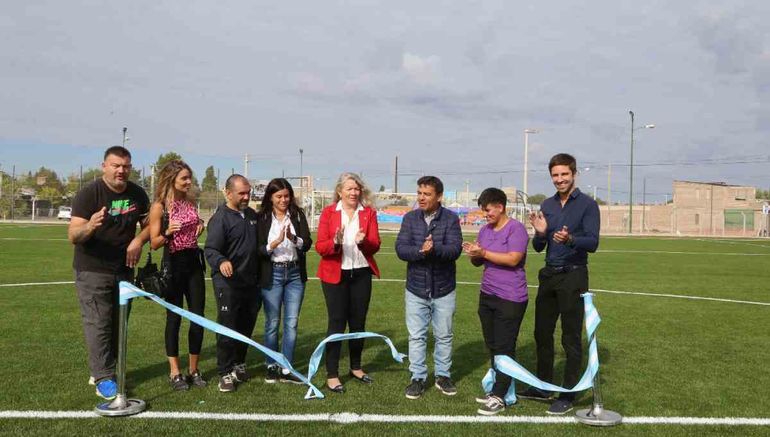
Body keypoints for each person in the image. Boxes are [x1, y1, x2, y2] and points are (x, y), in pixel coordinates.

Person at [519, 153, 600, 415]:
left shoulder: (588, 205)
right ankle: (543, 386)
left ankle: (569, 392)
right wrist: (540, 232)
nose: (559, 179)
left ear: (574, 174)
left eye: (564, 174)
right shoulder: (548, 205)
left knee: (570, 337)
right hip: (549, 275)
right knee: (542, 333)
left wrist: (570, 239)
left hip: (574, 275)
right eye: (555, 175)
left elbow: (593, 243)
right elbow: (539, 246)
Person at [68, 146, 150, 400]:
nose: (121, 171)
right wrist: (91, 225)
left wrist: (138, 241)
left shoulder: (137, 194)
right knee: (99, 323)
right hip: (92, 269)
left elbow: (150, 227)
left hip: (123, 270)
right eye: (116, 165)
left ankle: (105, 369)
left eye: (125, 166)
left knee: (118, 325)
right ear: (104, 166)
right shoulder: (89, 194)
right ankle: (103, 376)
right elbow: (74, 235)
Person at [462, 188, 529, 415]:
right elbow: (478, 262)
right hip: (487, 295)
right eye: (483, 211)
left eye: (488, 210)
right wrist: (474, 255)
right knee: (492, 345)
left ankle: (500, 396)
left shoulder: (516, 229)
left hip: (511, 297)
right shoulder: (485, 231)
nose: (485, 215)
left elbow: (513, 259)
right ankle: (500, 390)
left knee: (504, 346)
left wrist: (484, 253)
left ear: (500, 207)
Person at [395, 176, 462, 400]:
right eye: (420, 193)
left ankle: (443, 376)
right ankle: (418, 378)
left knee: (444, 336)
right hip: (416, 287)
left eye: (427, 194)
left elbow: (454, 250)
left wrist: (434, 250)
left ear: (439, 196)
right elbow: (401, 249)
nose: (421, 198)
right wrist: (420, 252)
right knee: (417, 336)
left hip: (444, 288)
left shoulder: (451, 219)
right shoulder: (410, 219)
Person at [315, 172, 381, 393]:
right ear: (339, 191)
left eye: (357, 188)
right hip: (335, 275)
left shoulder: (369, 213)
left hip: (361, 274)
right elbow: (320, 247)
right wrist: (335, 241)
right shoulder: (328, 213)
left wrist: (364, 243)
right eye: (349, 189)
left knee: (358, 323)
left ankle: (356, 367)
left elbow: (375, 245)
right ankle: (332, 374)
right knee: (336, 323)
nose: (354, 192)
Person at [148, 160, 207, 391]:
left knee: (198, 317)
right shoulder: (159, 207)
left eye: (189, 178)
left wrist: (200, 223)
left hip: (193, 262)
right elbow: (153, 243)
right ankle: (175, 372)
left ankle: (194, 370)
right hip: (172, 264)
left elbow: (194, 221)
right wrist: (167, 232)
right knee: (174, 319)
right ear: (172, 178)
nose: (189, 182)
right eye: (184, 178)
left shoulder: (190, 202)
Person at [204, 174, 261, 393]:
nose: (247, 197)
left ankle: (239, 363)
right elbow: (210, 250)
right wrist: (222, 261)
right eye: (242, 193)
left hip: (250, 282)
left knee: (246, 326)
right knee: (228, 326)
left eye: (248, 192)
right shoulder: (220, 218)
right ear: (228, 193)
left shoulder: (252, 215)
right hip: (227, 283)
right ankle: (224, 372)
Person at [256, 178, 312, 384]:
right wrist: (275, 243)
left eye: (287, 196)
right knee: (272, 322)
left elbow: (307, 244)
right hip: (273, 274)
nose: (283, 200)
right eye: (279, 196)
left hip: (295, 274)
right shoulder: (261, 217)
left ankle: (287, 367)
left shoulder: (297, 215)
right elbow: (258, 250)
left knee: (292, 322)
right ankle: (271, 365)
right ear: (270, 197)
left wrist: (293, 239)